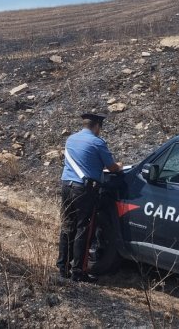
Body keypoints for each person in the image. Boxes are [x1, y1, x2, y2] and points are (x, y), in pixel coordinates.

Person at [57, 113, 122, 282]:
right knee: (83, 229)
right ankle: (79, 272)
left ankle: (62, 267)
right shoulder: (97, 142)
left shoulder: (71, 139)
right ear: (97, 126)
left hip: (66, 186)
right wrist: (119, 166)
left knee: (67, 226)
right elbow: (112, 167)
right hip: (83, 190)